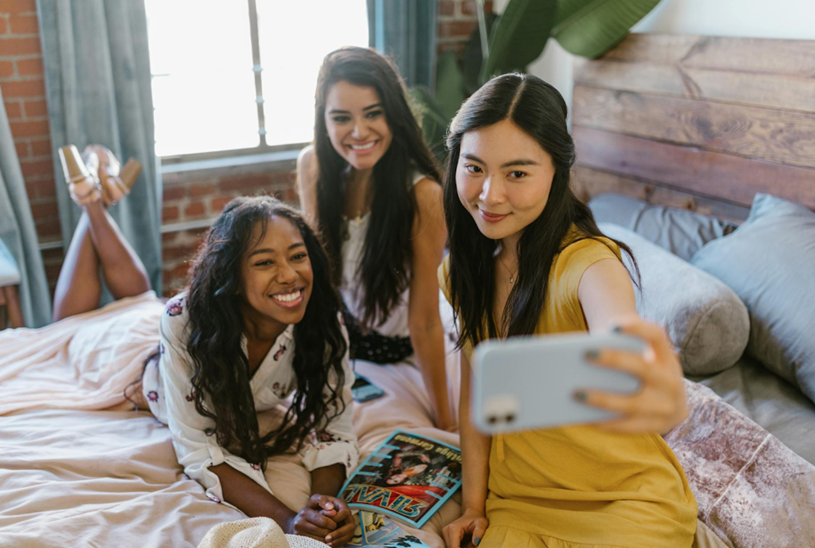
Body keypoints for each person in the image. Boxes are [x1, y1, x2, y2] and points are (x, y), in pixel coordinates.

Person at [1, 150, 360, 546]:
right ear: (233, 276)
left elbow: (334, 424)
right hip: (127, 352)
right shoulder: (184, 320)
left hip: (158, 321)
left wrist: (322, 506)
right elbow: (197, 450)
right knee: (78, 322)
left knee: (138, 295)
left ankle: (93, 198)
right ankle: (92, 203)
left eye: (298, 256)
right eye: (264, 263)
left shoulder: (321, 318)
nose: (290, 275)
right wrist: (288, 521)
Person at [439, 74, 698, 548]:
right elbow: (476, 398)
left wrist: (630, 362)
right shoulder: (463, 270)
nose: (490, 194)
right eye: (474, 167)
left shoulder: (590, 262)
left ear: (557, 172)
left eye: (517, 173)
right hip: (519, 499)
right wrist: (474, 504)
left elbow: (618, 331)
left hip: (624, 501)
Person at [296, 46, 456, 431]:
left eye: (373, 113)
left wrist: (445, 421)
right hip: (341, 339)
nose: (359, 132)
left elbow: (424, 322)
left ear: (394, 115)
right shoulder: (313, 167)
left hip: (405, 352)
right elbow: (316, 279)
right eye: (341, 118)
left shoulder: (423, 196)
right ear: (324, 120)